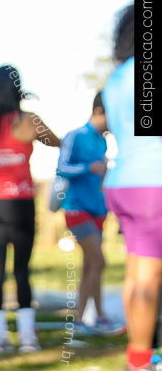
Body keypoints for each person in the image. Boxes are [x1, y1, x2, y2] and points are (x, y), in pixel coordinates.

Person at [0, 65, 61, 354]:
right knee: (21, 269)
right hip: (19, 201)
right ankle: (26, 337)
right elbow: (55, 141)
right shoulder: (27, 121)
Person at [101, 5, 162, 371]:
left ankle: (138, 358)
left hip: (124, 182)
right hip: (153, 180)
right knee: (150, 275)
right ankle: (141, 360)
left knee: (137, 271)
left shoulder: (116, 78)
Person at [57, 92, 123, 336]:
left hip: (98, 209)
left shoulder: (103, 141)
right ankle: (97, 317)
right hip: (77, 208)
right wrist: (88, 168)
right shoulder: (76, 136)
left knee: (90, 266)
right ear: (99, 112)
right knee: (99, 261)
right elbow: (61, 167)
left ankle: (83, 319)